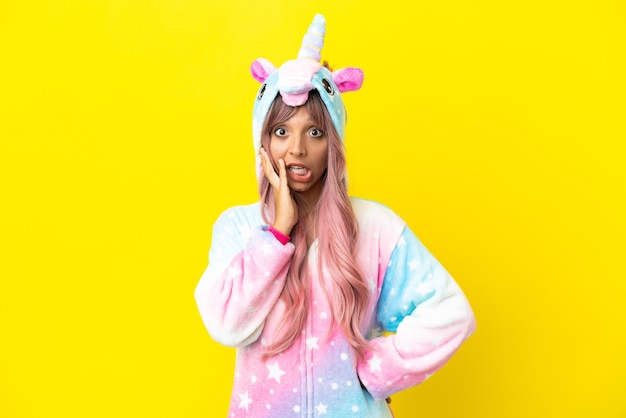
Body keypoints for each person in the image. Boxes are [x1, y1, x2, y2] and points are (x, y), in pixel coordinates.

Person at [195, 14, 476, 418]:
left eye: (314, 132)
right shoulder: (238, 228)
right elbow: (225, 324)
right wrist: (277, 233)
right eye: (280, 132)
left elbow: (451, 313)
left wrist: (379, 370)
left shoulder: (374, 228)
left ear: (335, 142)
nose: (296, 150)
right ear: (262, 143)